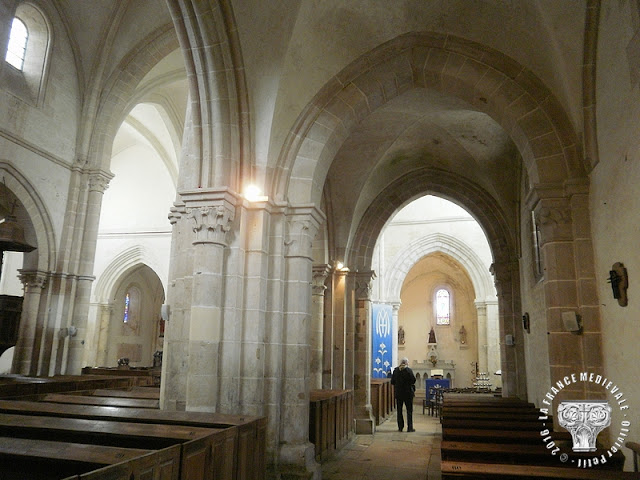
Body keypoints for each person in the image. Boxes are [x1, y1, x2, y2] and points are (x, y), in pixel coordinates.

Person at [391, 357, 416, 432]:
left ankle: (400, 427)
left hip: (399, 393)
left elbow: (392, 382)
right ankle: (410, 427)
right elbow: (413, 380)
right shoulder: (408, 370)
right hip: (408, 393)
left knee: (399, 410)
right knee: (409, 411)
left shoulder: (396, 371)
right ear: (406, 363)